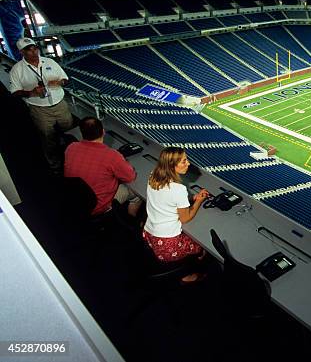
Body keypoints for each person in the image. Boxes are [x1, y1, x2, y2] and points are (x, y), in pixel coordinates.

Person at [143, 147, 209, 283]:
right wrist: (198, 202)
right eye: (184, 161)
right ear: (172, 166)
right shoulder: (179, 189)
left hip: (149, 235)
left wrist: (190, 199)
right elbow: (185, 218)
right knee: (203, 247)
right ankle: (187, 273)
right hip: (167, 245)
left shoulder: (153, 175)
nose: (188, 163)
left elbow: (166, 199)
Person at [9, 37, 73, 174]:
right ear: (22, 52)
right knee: (47, 136)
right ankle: (54, 164)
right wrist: (31, 92)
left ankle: (70, 155)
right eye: (29, 50)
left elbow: (66, 79)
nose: (33, 52)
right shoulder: (17, 70)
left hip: (59, 103)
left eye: (34, 48)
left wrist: (59, 83)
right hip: (39, 109)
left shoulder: (49, 61)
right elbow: (14, 93)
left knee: (68, 127)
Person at [64, 116, 141, 217]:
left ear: (82, 133)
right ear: (103, 132)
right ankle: (131, 220)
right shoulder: (112, 156)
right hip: (97, 207)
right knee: (136, 193)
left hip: (74, 199)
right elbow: (130, 177)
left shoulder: (71, 147)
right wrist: (121, 159)